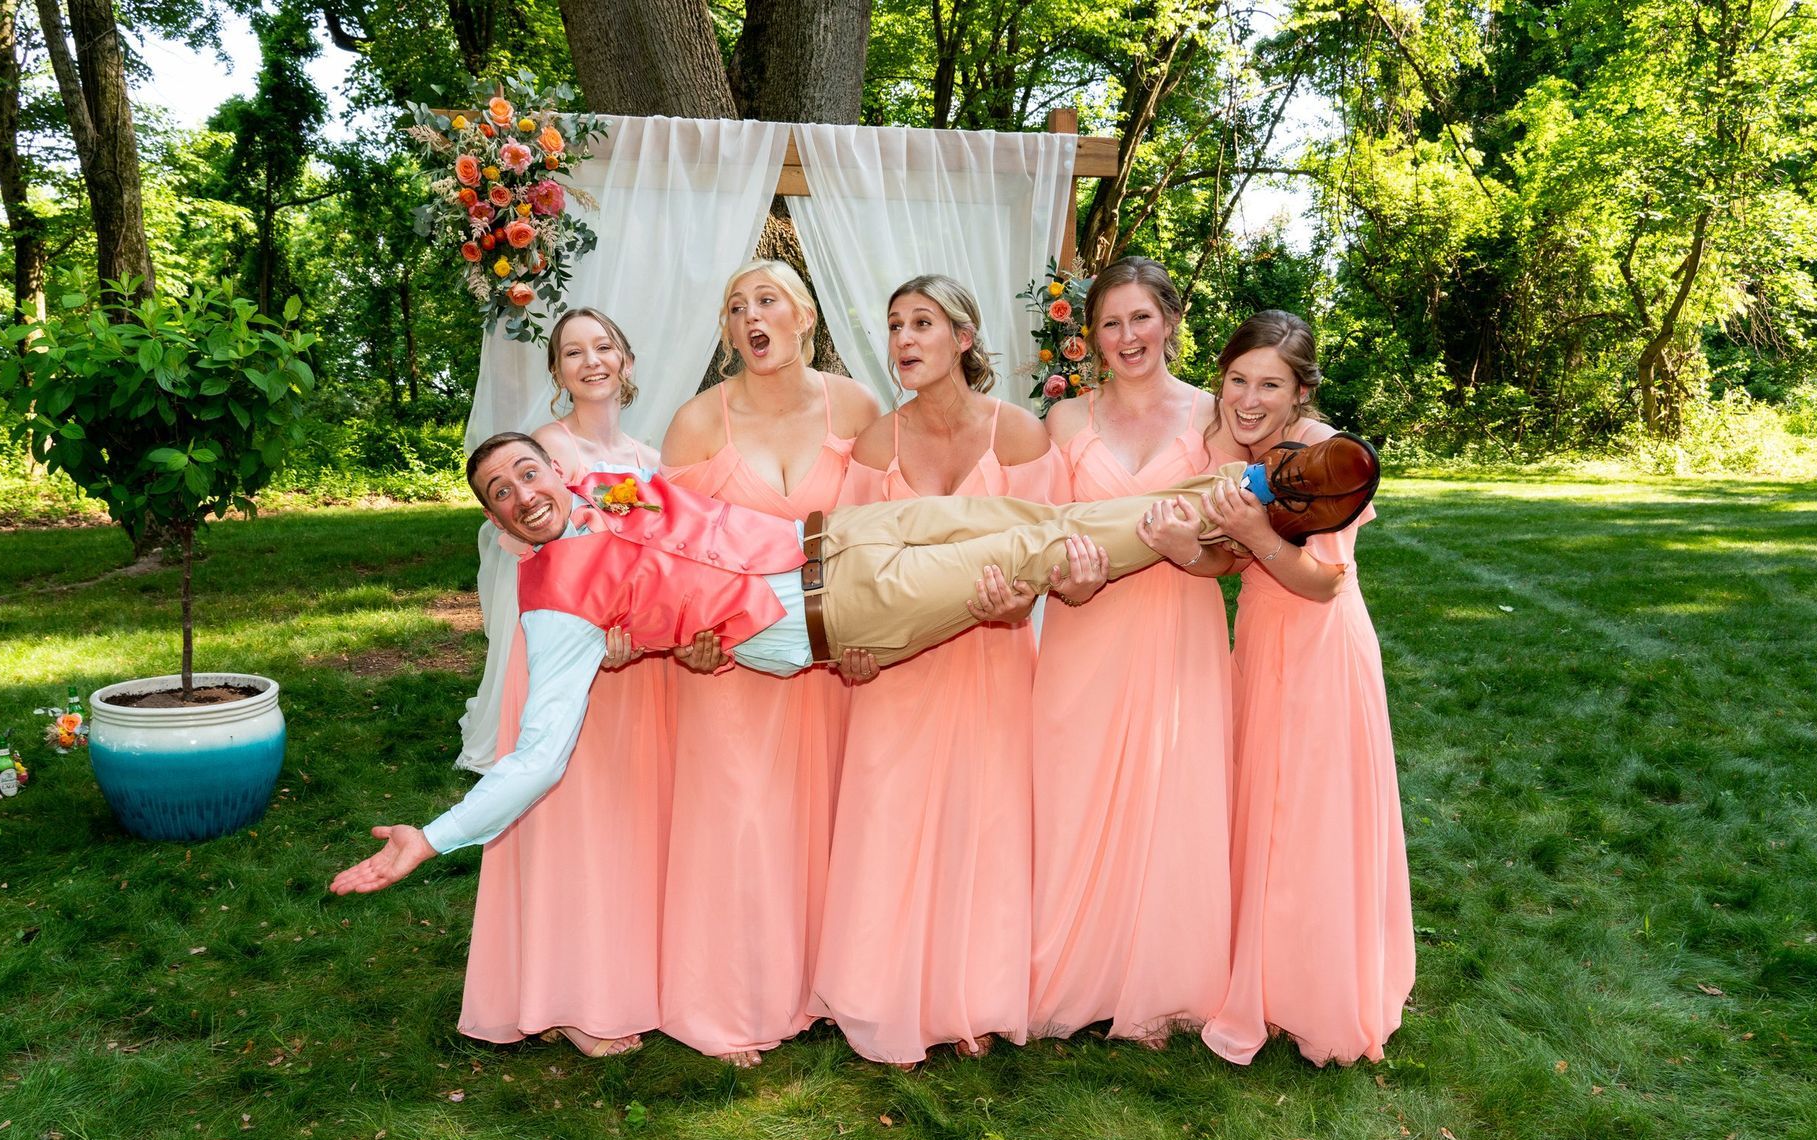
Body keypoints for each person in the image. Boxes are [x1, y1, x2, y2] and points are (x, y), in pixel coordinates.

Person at [328, 432, 1243, 944]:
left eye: (526, 471)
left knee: (1037, 518)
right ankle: (1245, 506)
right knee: (1034, 555)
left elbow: (686, 532)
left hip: (840, 533)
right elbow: (539, 753)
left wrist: (660, 637)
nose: (522, 492)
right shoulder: (554, 606)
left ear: (552, 469)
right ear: (499, 523)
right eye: (499, 493)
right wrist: (434, 836)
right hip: (834, 609)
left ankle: (1235, 494)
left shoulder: (611, 486)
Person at [814, 274, 1073, 1066]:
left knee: (986, 821)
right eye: (894, 325)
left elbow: (1053, 546)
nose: (904, 341)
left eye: (922, 323)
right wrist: (854, 646)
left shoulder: (1021, 437)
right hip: (896, 671)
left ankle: (980, 998)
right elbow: (847, 564)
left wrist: (1015, 605)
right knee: (888, 822)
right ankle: (877, 993)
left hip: (995, 657)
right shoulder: (874, 447)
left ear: (964, 338)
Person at [642, 260, 880, 1067]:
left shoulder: (854, 407)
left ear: (805, 316)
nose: (751, 315)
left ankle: (825, 987)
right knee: (741, 824)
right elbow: (669, 553)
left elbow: (882, 530)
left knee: (827, 821)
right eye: (734, 305)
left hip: (830, 654)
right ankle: (733, 1002)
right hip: (731, 660)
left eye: (766, 300)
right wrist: (690, 636)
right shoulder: (697, 423)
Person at [1028, 257, 1242, 1050]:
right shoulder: (1065, 424)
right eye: (1110, 323)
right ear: (1089, 338)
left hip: (1180, 622)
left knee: (1172, 791)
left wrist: (1193, 553)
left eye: (1141, 319)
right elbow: (1043, 539)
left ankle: (1163, 982)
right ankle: (1073, 975)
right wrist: (1069, 585)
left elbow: (1236, 553)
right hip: (1088, 625)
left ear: (1171, 322)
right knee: (1074, 789)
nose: (1127, 337)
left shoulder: (1215, 417)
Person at [1197, 310, 1415, 1066]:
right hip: (1262, 637)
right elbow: (1229, 564)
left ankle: (1319, 992)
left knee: (1314, 816)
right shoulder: (1233, 450)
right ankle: (1265, 977)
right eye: (1237, 379)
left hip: (1321, 646)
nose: (1249, 398)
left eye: (1270, 384)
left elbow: (1322, 580)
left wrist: (1255, 534)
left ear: (1299, 393)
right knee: (1264, 809)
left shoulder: (1327, 458)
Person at [456, 309, 668, 1056]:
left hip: (626, 659)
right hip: (559, 657)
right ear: (555, 373)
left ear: (627, 358)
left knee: (615, 824)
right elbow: (524, 549)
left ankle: (615, 978)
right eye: (572, 352)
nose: (591, 361)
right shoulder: (544, 452)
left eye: (604, 346)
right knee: (563, 824)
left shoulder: (646, 456)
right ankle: (564, 998)